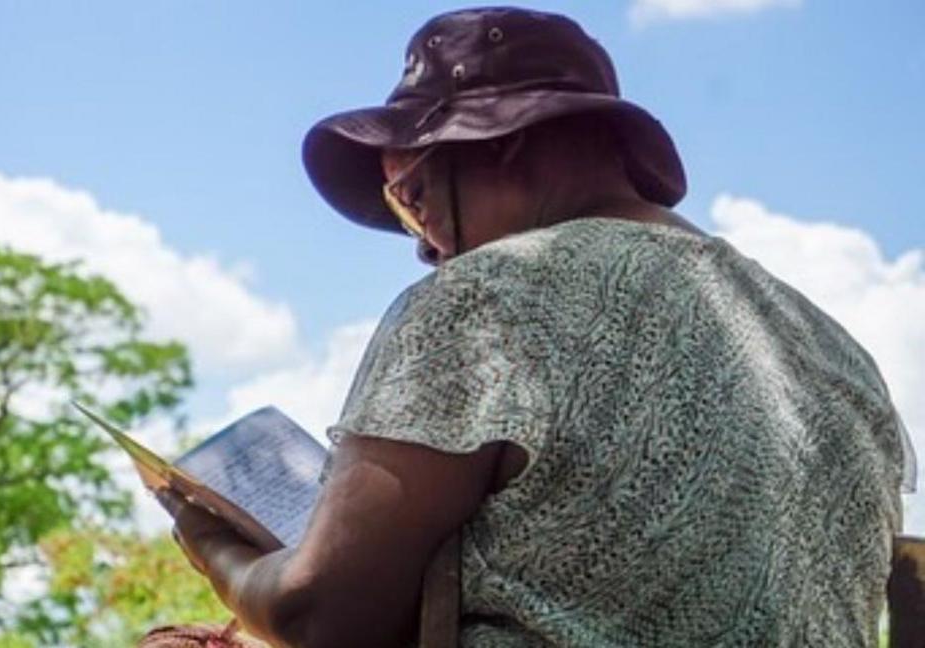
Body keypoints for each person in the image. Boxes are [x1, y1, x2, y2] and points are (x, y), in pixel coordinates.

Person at [158, 8, 915, 647]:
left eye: (413, 196)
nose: (422, 246)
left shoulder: (487, 296)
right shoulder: (835, 352)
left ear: (504, 135)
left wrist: (213, 544)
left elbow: (318, 610)